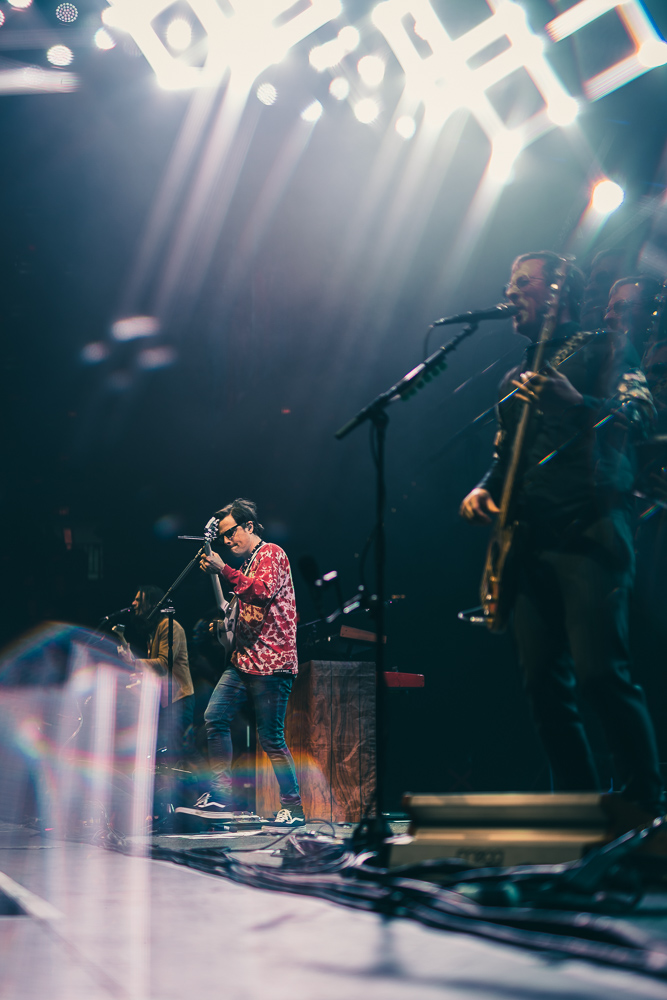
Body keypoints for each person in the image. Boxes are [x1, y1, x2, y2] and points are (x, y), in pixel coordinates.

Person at [459, 250, 665, 829]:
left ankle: (645, 804)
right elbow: (506, 460)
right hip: (528, 543)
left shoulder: (602, 346)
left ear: (557, 293)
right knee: (544, 689)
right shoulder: (511, 378)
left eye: (521, 281)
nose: (510, 291)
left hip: (591, 527)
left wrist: (579, 406)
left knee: (601, 673)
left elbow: (639, 418)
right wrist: (482, 489)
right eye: (510, 280)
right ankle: (576, 811)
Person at [195, 498, 304, 827]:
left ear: (250, 527)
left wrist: (223, 571)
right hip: (244, 659)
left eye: (231, 534)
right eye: (224, 537)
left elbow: (262, 592)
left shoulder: (272, 553)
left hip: (272, 662)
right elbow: (243, 606)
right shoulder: (246, 565)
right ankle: (220, 796)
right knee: (214, 717)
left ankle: (294, 807)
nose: (227, 541)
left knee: (270, 737)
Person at [119, 585, 195, 764]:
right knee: (171, 752)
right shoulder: (154, 631)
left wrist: (133, 663)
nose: (133, 603)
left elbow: (163, 665)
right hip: (167, 700)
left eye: (138, 599)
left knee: (180, 751)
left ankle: (205, 787)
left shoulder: (170, 627)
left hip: (179, 699)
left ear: (151, 603)